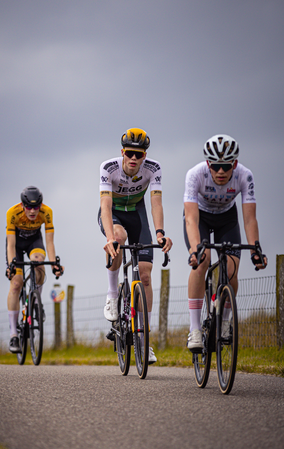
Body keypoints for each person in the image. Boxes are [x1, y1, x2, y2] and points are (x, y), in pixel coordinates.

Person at [184, 133, 267, 351]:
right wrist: (195, 250)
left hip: (227, 218)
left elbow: (249, 219)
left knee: (231, 270)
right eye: (216, 166)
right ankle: (194, 330)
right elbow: (191, 219)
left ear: (235, 164)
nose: (221, 172)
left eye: (226, 167)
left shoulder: (244, 176)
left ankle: (225, 322)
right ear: (208, 163)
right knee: (203, 261)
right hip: (200, 217)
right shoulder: (195, 174)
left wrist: (255, 250)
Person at [98, 127, 173, 364]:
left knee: (146, 275)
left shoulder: (154, 169)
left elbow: (156, 203)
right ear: (122, 152)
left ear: (145, 156)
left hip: (137, 214)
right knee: (118, 238)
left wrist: (160, 233)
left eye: (139, 154)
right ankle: (112, 294)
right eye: (129, 153)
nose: (133, 158)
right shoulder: (108, 168)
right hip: (115, 215)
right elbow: (106, 206)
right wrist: (110, 238)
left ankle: (144, 341)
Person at [5, 186, 63, 353]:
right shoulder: (12, 213)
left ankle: (36, 301)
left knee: (39, 263)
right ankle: (14, 335)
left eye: (36, 207)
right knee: (16, 283)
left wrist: (53, 264)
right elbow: (10, 245)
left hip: (34, 242)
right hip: (16, 244)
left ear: (41, 205)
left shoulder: (47, 212)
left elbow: (49, 242)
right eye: (28, 207)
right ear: (22, 205)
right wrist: (11, 265)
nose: (32, 211)